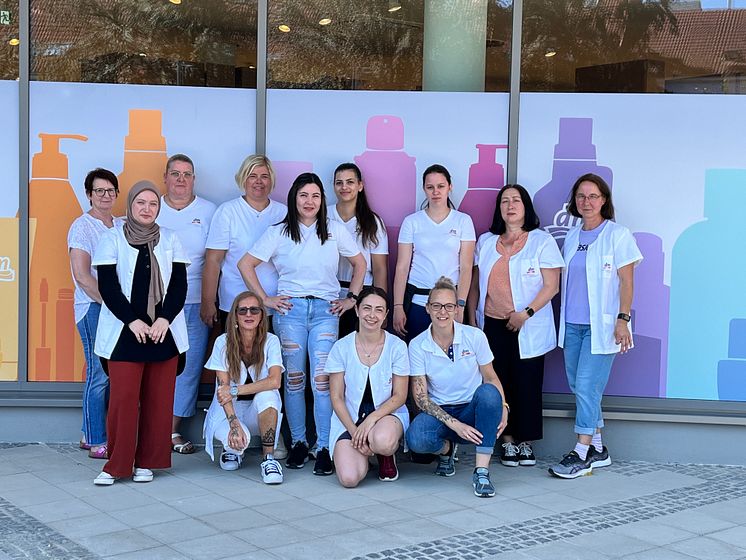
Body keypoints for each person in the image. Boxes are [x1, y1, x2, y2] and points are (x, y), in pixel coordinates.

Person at [238, 172, 366, 476]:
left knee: (322, 383)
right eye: (303, 195)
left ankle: (322, 446)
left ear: (322, 201)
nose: (309, 202)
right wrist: (265, 300)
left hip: (325, 311)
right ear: (294, 198)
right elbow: (246, 264)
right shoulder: (279, 232)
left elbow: (361, 263)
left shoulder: (334, 230)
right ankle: (298, 442)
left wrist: (352, 298)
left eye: (316, 196)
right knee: (294, 381)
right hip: (290, 311)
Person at [92, 181, 189, 485]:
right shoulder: (112, 238)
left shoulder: (170, 238)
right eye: (140, 203)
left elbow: (178, 285)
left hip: (163, 333)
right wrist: (132, 321)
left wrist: (164, 320)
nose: (147, 209)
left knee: (158, 402)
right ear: (131, 205)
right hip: (125, 333)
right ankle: (116, 465)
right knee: (123, 400)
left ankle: (147, 461)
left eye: (153, 204)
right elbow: (108, 286)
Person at [549, 173, 643, 479]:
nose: (586, 202)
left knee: (588, 386)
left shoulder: (618, 234)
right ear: (574, 202)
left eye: (592, 196)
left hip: (601, 327)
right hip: (573, 325)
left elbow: (627, 281)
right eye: (581, 196)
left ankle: (582, 452)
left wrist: (623, 318)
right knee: (580, 387)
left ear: (604, 200)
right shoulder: (573, 237)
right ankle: (600, 448)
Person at [468, 184, 563, 468]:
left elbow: (551, 286)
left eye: (516, 201)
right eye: (505, 201)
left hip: (527, 324)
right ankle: (507, 440)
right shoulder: (486, 241)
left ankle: (526, 442)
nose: (510, 206)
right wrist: (472, 316)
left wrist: (526, 313)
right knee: (500, 382)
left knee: (528, 382)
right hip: (492, 324)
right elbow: (475, 283)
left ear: (526, 207)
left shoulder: (541, 241)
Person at [406, 277, 508, 498]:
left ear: (456, 309)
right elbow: (421, 399)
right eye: (436, 305)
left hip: (471, 409)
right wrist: (455, 426)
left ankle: (481, 472)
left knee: (489, 394)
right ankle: (447, 450)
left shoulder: (474, 336)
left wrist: (505, 407)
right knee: (416, 438)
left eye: (449, 306)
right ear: (427, 308)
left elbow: (490, 377)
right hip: (440, 412)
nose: (442, 311)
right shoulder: (417, 345)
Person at [156, 154, 216, 455]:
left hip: (193, 302)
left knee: (189, 368)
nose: (181, 179)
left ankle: (171, 430)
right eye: (175, 173)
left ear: (194, 179)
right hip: (155, 305)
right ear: (165, 177)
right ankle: (151, 428)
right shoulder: (151, 208)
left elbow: (214, 261)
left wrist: (208, 303)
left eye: (187, 174)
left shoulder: (208, 211)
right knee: (155, 365)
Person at [326, 286, 409, 487]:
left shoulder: (397, 346)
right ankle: (366, 452)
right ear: (357, 310)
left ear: (386, 315)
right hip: (350, 417)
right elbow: (336, 397)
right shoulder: (341, 347)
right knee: (349, 479)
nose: (372, 315)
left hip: (386, 415)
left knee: (382, 440)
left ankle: (384, 454)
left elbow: (399, 396)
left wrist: (370, 420)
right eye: (367, 308)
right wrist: (355, 433)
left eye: (379, 310)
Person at [68, 168, 122, 460]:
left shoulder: (122, 224)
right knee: (99, 373)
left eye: (110, 190)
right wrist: (112, 304)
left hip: (117, 312)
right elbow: (83, 276)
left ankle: (90, 431)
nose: (105, 195)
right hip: (93, 308)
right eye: (99, 191)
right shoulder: (82, 226)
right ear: (89, 194)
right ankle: (95, 439)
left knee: (114, 374)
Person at [202, 291, 284, 483]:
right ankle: (231, 448)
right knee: (240, 443)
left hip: (256, 411)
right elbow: (222, 391)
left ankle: (268, 459)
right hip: (227, 411)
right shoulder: (223, 342)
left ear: (262, 315)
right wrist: (234, 424)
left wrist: (235, 389)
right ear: (235, 316)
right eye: (243, 310)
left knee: (269, 395)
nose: (249, 314)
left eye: (254, 310)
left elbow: (275, 381)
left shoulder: (271, 341)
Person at [202, 155, 287, 329]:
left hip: (274, 304)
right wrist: (208, 302)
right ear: (243, 179)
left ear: (271, 180)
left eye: (264, 176)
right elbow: (213, 260)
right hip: (235, 303)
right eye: (252, 176)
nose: (259, 182)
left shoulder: (283, 213)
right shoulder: (228, 211)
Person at [393, 164, 475, 342]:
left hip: (450, 305)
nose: (435, 191)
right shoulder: (412, 222)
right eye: (430, 187)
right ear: (424, 189)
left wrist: (460, 305)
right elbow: (402, 267)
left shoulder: (463, 221)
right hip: (417, 303)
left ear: (450, 187)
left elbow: (467, 267)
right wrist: (398, 306)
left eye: (441, 186)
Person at [328, 163, 388, 337]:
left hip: (361, 296)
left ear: (360, 185)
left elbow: (379, 268)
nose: (344, 187)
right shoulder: (323, 215)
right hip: (329, 293)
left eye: (350, 182)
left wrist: (380, 305)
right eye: (339, 183)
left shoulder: (373, 221)